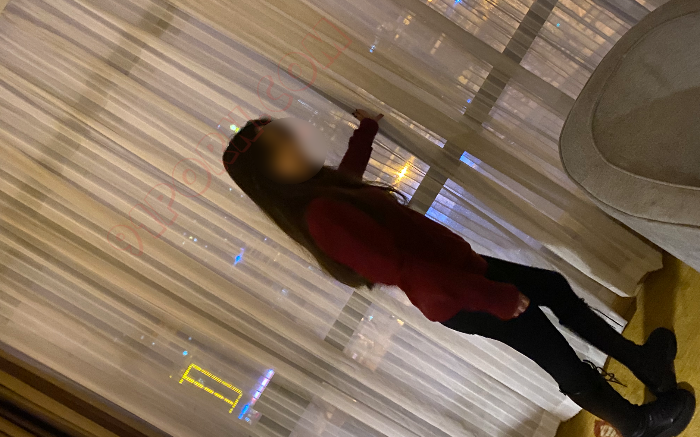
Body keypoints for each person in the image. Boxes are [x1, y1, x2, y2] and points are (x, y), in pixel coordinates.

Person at [223, 109, 695, 437]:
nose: (294, 146)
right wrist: (494, 298)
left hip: (466, 274)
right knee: (553, 351)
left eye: (286, 136)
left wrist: (365, 131)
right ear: (267, 178)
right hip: (461, 294)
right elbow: (403, 270)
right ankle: (636, 423)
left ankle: (643, 362)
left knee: (552, 288)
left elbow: (349, 176)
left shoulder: (322, 192)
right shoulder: (321, 216)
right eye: (280, 149)